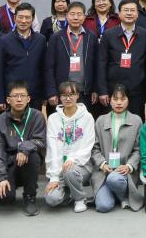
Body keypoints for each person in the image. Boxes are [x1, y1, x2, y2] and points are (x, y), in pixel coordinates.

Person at [0, 81, 47, 216]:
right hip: (9, 164)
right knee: (3, 199)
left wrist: (24, 149)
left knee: (32, 156)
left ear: (29, 99)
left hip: (28, 161)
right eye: (15, 96)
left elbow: (40, 141)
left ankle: (30, 196)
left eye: (23, 96)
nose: (19, 99)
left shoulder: (37, 116)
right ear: (8, 100)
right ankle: (10, 184)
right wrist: (1, 178)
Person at [90, 84, 144, 212]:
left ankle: (123, 196)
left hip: (124, 173)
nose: (119, 102)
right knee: (103, 206)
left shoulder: (136, 120)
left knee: (114, 179)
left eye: (123, 99)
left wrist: (129, 166)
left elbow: (138, 149)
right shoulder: (101, 121)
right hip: (104, 172)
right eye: (115, 99)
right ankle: (119, 195)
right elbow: (94, 148)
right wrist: (102, 164)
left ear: (128, 100)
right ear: (110, 100)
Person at [45, 80, 97, 212]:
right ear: (59, 97)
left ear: (78, 95)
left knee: (70, 172)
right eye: (64, 95)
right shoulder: (53, 119)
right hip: (59, 168)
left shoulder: (87, 117)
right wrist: (54, 177)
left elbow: (88, 145)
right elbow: (52, 149)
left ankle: (80, 199)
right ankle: (68, 192)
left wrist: (72, 159)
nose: (68, 98)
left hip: (81, 165)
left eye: (71, 94)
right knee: (52, 199)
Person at [96, 0, 146, 116]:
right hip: (113, 91)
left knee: (135, 123)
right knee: (112, 123)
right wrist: (102, 90)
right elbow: (101, 64)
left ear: (137, 14)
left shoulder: (145, 35)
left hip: (137, 92)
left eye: (132, 10)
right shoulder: (108, 35)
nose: (129, 13)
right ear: (119, 14)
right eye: (126, 10)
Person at [0, 4, 46, 112]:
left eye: (27, 17)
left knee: (34, 122)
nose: (23, 21)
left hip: (34, 95)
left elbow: (44, 68)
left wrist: (45, 94)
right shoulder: (4, 41)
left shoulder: (41, 40)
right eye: (20, 17)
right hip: (12, 96)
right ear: (15, 18)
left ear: (32, 19)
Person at [45, 1, 98, 110]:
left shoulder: (91, 36)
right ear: (66, 16)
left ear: (84, 17)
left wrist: (95, 89)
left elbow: (97, 65)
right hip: (62, 93)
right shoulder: (56, 37)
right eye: (72, 14)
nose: (76, 17)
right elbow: (49, 67)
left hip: (85, 92)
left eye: (79, 14)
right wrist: (51, 92)